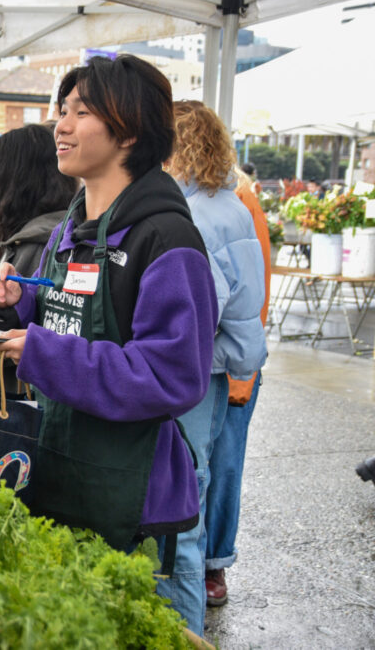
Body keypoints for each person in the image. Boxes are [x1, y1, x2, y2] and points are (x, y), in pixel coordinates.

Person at [0, 55, 216, 631]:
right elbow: (70, 314)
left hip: (128, 495)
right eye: (61, 111)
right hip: (59, 470)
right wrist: (15, 303)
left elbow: (172, 376)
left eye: (80, 113)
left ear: (129, 130)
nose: (60, 126)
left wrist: (44, 353)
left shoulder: (167, 239)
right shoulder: (71, 228)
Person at [164, 100, 267, 633]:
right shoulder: (229, 204)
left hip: (194, 374)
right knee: (196, 488)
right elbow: (245, 305)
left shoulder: (192, 214)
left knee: (181, 500)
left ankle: (183, 628)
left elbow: (199, 311)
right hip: (220, 369)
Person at [0, 124, 78, 402]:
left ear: (16, 182)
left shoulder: (38, 243)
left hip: (16, 406)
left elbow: (1, 343)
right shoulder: (54, 232)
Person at [203, 165, 272, 608]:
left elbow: (252, 296)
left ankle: (215, 562)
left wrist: (241, 376)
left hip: (228, 366)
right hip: (204, 364)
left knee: (224, 467)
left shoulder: (236, 200)